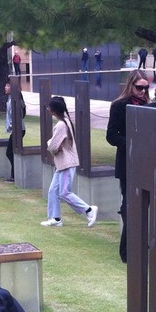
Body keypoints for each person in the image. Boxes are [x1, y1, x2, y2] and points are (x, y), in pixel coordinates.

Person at [106, 70, 149, 262]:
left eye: (146, 88)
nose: (143, 91)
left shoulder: (149, 106)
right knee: (130, 206)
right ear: (131, 85)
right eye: (139, 88)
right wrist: (132, 143)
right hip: (127, 162)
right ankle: (127, 250)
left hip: (146, 162)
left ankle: (139, 243)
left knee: (143, 204)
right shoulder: (119, 105)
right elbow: (111, 135)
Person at [41, 96, 98, 228]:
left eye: (49, 107)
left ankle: (89, 209)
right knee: (53, 191)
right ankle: (56, 218)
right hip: (62, 164)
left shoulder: (61, 124)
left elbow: (53, 146)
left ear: (53, 110)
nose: (48, 109)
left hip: (67, 163)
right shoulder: (66, 120)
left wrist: (50, 143)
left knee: (64, 192)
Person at [3, 80, 25, 183]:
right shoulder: (10, 98)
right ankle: (13, 176)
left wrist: (11, 126)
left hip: (19, 129)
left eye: (7, 86)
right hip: (15, 130)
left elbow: (18, 116)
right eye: (5, 85)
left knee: (9, 152)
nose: (5, 87)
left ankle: (15, 175)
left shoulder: (15, 100)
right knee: (11, 152)